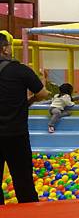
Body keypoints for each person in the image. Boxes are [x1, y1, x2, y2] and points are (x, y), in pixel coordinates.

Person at [0, 30, 49, 205]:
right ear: (5, 49)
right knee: (23, 181)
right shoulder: (20, 70)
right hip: (15, 134)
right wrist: (28, 100)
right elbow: (43, 93)